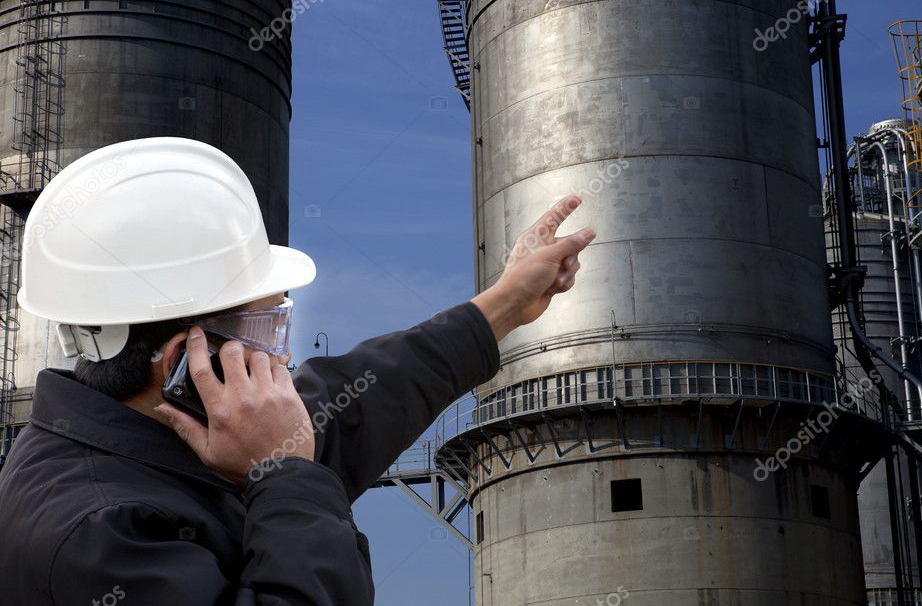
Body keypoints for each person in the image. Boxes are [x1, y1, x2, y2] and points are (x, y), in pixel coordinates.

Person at [0, 137, 595, 605]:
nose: (283, 357)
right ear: (187, 359)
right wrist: (283, 474)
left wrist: (508, 303)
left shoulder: (158, 428)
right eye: (268, 328)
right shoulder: (96, 536)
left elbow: (359, 395)